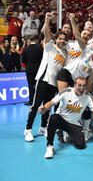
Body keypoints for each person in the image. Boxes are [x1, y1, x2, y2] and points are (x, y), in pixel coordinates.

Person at [38, 77, 93, 159]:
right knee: (53, 118)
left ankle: (68, 134)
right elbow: (51, 102)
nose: (82, 88)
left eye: (84, 86)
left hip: (74, 123)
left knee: (81, 145)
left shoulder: (88, 96)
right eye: (79, 85)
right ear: (74, 85)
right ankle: (50, 146)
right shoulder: (66, 92)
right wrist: (44, 108)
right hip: (61, 119)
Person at [24, 13, 67, 142]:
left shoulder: (64, 53)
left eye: (64, 39)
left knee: (47, 106)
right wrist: (48, 20)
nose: (62, 41)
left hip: (54, 83)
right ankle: (28, 129)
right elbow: (46, 34)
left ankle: (43, 128)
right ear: (56, 39)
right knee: (35, 105)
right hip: (43, 79)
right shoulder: (49, 46)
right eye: (60, 38)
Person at [21, 35, 43, 106]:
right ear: (36, 40)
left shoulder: (25, 49)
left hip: (29, 70)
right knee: (38, 86)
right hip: (38, 70)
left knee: (30, 86)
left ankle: (31, 101)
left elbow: (23, 61)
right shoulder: (40, 49)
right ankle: (38, 101)